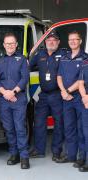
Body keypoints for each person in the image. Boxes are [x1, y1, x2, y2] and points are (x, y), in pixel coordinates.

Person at [0, 33, 30, 169]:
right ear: (3, 45)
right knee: (9, 129)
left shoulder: (22, 59)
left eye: (12, 43)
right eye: (7, 43)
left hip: (18, 99)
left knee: (20, 128)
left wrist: (13, 92)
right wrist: (5, 93)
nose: (10, 46)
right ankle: (14, 155)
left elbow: (24, 79)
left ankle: (24, 157)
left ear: (16, 44)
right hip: (4, 100)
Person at [29, 31, 65, 161]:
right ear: (45, 42)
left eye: (54, 40)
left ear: (58, 42)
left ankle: (57, 151)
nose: (51, 42)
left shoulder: (64, 55)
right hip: (43, 95)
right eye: (49, 40)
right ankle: (39, 150)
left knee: (59, 124)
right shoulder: (39, 55)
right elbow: (27, 66)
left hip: (57, 95)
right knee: (38, 123)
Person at [56, 31, 88, 166]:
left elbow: (81, 80)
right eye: (70, 40)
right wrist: (64, 91)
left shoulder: (85, 58)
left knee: (82, 128)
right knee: (69, 128)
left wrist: (68, 91)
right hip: (66, 98)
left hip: (80, 97)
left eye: (76, 39)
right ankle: (71, 155)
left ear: (80, 41)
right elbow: (59, 77)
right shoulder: (64, 57)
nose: (73, 42)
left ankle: (82, 157)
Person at [78, 59, 88, 172]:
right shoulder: (85, 63)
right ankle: (84, 160)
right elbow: (80, 82)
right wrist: (85, 97)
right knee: (85, 133)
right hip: (85, 102)